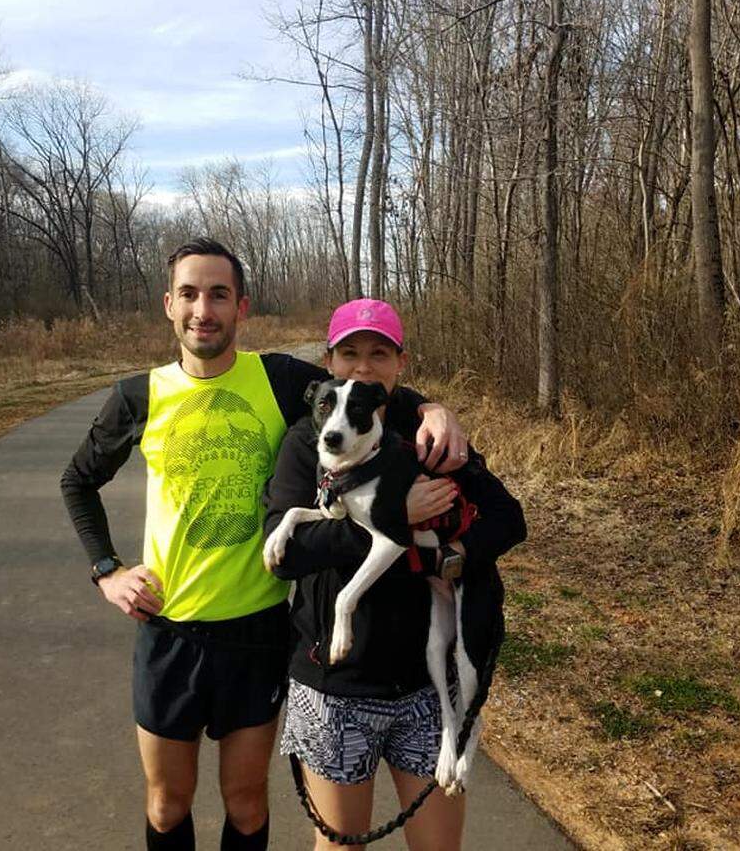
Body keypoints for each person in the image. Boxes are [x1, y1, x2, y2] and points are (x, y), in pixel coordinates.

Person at [60, 238, 468, 851]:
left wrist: (435, 407)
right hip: (169, 628)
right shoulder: (138, 397)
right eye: (190, 295)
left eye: (219, 295)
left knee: (247, 807)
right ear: (169, 305)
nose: (205, 309)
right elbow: (78, 481)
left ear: (241, 307)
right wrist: (106, 570)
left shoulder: (277, 379)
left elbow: (361, 386)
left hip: (257, 630)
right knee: (167, 806)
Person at [262, 299, 527, 851]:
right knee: (340, 846)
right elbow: (286, 556)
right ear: (329, 360)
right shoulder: (305, 444)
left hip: (424, 689)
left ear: (399, 364)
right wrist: (388, 520)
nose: (363, 366)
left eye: (378, 353)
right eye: (349, 353)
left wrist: (444, 560)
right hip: (336, 684)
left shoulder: (429, 437)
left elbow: (508, 520)